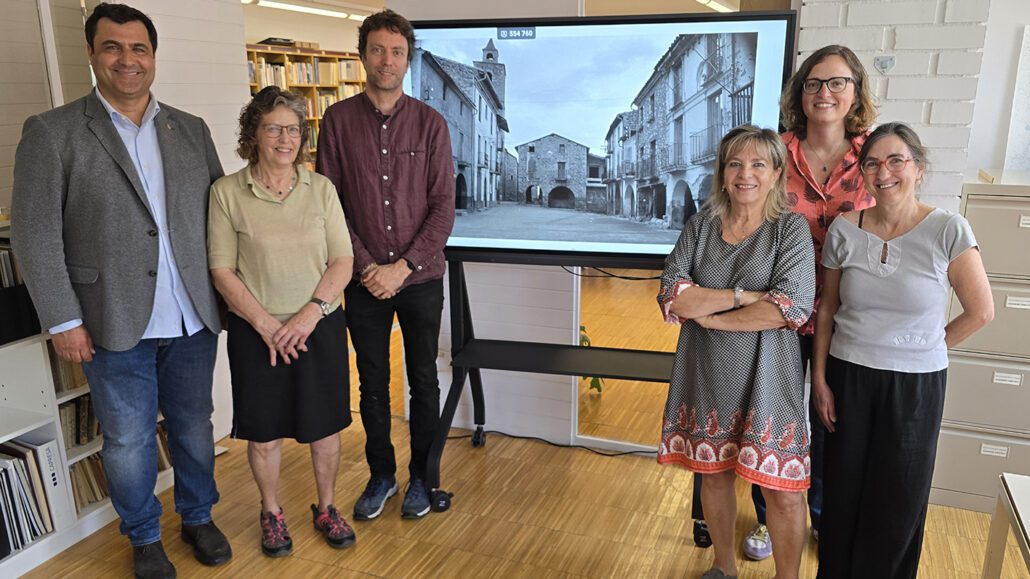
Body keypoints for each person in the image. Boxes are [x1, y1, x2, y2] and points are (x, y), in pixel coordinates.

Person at [10, 4, 230, 578]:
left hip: (193, 317)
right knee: (128, 440)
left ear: (153, 56)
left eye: (139, 48)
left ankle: (198, 516)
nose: (127, 59)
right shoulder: (52, 132)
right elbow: (34, 234)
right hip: (109, 320)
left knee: (194, 426)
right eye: (112, 47)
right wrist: (63, 320)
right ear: (91, 53)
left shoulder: (190, 128)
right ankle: (144, 536)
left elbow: (220, 215)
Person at [696, 44, 881, 560]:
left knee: (833, 422)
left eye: (838, 82)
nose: (825, 93)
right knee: (766, 425)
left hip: (847, 316)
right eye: (814, 83)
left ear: (855, 92)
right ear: (800, 93)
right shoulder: (773, 152)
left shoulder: (872, 157)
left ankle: (823, 516)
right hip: (771, 315)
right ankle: (766, 518)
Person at [812, 122, 993, 578]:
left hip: (915, 387)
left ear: (919, 168)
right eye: (872, 163)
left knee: (898, 500)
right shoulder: (844, 229)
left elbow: (981, 311)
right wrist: (820, 381)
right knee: (842, 494)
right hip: (848, 376)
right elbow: (828, 308)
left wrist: (925, 347)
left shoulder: (948, 229)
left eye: (896, 161)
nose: (883, 172)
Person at [658, 125, 816, 579]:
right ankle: (723, 567)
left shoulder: (790, 229)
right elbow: (673, 296)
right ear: (723, 174)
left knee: (783, 490)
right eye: (735, 164)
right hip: (708, 373)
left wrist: (712, 315)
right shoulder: (701, 226)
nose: (746, 174)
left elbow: (790, 307)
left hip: (770, 377)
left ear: (776, 173)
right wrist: (747, 297)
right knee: (714, 476)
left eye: (758, 164)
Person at [316, 9, 455, 521]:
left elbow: (443, 207)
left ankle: (423, 477)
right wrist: (369, 267)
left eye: (397, 52)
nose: (387, 60)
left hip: (421, 279)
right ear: (363, 55)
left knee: (424, 380)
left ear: (407, 59)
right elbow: (329, 205)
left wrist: (403, 267)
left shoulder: (431, 123)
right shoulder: (337, 122)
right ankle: (382, 476)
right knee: (371, 383)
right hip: (362, 281)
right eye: (377, 50)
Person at [207, 87, 355, 557]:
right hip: (256, 334)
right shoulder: (227, 193)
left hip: (319, 326)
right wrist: (268, 326)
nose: (285, 139)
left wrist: (310, 314)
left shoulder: (322, 189)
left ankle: (327, 507)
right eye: (273, 129)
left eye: (293, 129)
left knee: (325, 428)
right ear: (253, 134)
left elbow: (343, 261)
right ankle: (271, 511)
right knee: (264, 432)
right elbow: (221, 270)